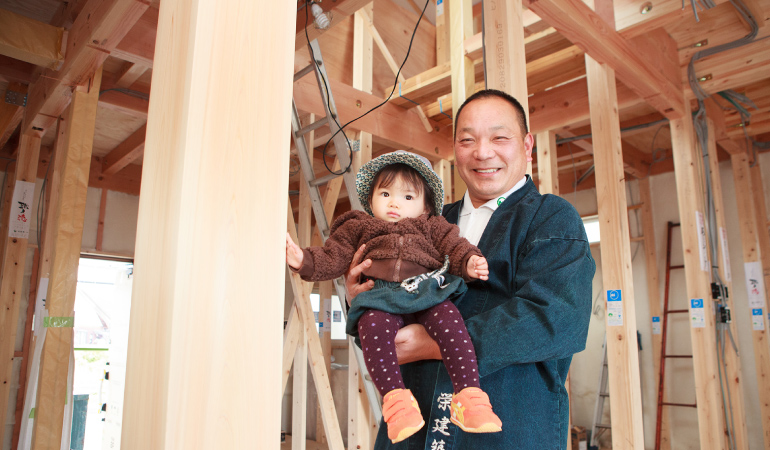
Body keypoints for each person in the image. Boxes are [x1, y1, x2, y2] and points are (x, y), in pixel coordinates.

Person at [346, 90, 596, 450]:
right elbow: (388, 315)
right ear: (455, 149)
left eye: (499, 137)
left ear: (527, 145)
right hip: (415, 425)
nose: (482, 152)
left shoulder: (550, 218)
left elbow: (556, 318)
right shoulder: (428, 221)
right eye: (467, 140)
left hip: (509, 429)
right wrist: (362, 297)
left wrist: (431, 344)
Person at [286, 150, 503, 444]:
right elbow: (333, 256)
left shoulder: (433, 226)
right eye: (385, 193)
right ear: (371, 197)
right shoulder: (359, 226)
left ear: (426, 206)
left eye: (407, 197)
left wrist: (469, 262)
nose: (393, 203)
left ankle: (470, 396)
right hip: (381, 297)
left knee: (450, 318)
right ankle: (396, 403)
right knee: (371, 324)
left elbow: (455, 246)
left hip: (426, 290)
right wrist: (304, 261)